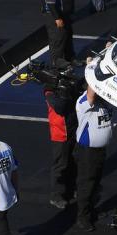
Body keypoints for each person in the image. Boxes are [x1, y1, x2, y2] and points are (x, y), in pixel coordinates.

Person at [75, 80, 114, 232]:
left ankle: (91, 210)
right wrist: (95, 75)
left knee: (95, 183)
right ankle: (82, 217)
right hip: (88, 152)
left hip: (100, 150)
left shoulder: (103, 102)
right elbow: (91, 95)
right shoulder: (84, 101)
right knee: (86, 184)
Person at [44, 75, 79, 209]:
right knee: (60, 165)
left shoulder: (66, 87)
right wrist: (67, 92)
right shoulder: (49, 91)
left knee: (73, 161)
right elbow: (60, 107)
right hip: (60, 133)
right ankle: (56, 195)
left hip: (72, 129)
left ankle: (71, 188)